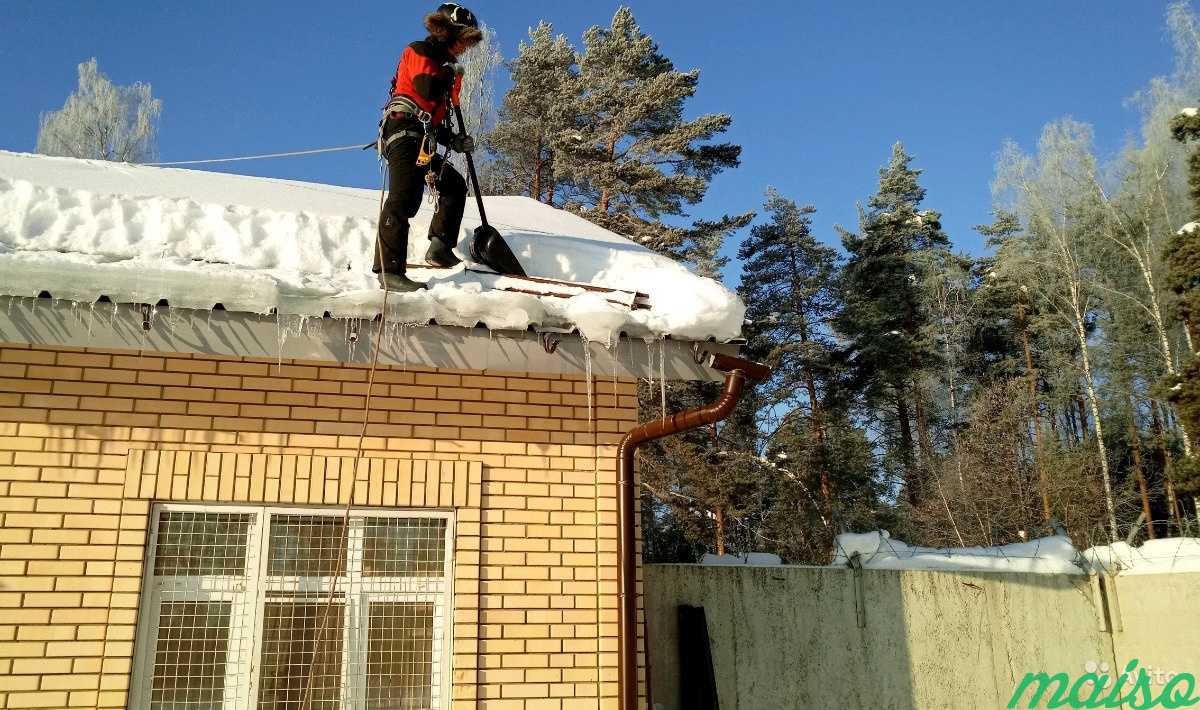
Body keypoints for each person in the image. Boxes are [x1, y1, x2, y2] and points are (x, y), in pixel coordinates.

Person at [374, 4, 482, 292]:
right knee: (404, 198)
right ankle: (389, 270)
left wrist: (453, 140)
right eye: (462, 39)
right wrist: (451, 77)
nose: (464, 47)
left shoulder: (443, 67)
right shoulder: (419, 51)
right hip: (403, 132)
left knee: (454, 186)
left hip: (422, 136)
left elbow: (431, 116)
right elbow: (425, 90)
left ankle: (439, 247)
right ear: (446, 32)